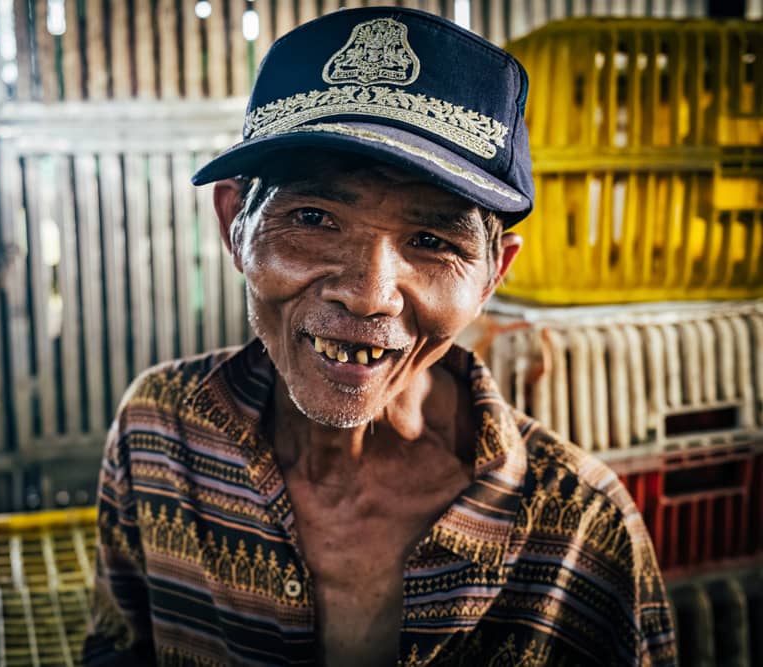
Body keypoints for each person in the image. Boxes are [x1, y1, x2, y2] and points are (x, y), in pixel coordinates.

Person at [83, 8, 676, 666]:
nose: (368, 293)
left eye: (432, 240)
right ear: (234, 227)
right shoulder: (161, 434)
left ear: (490, 276)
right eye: (313, 217)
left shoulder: (579, 530)